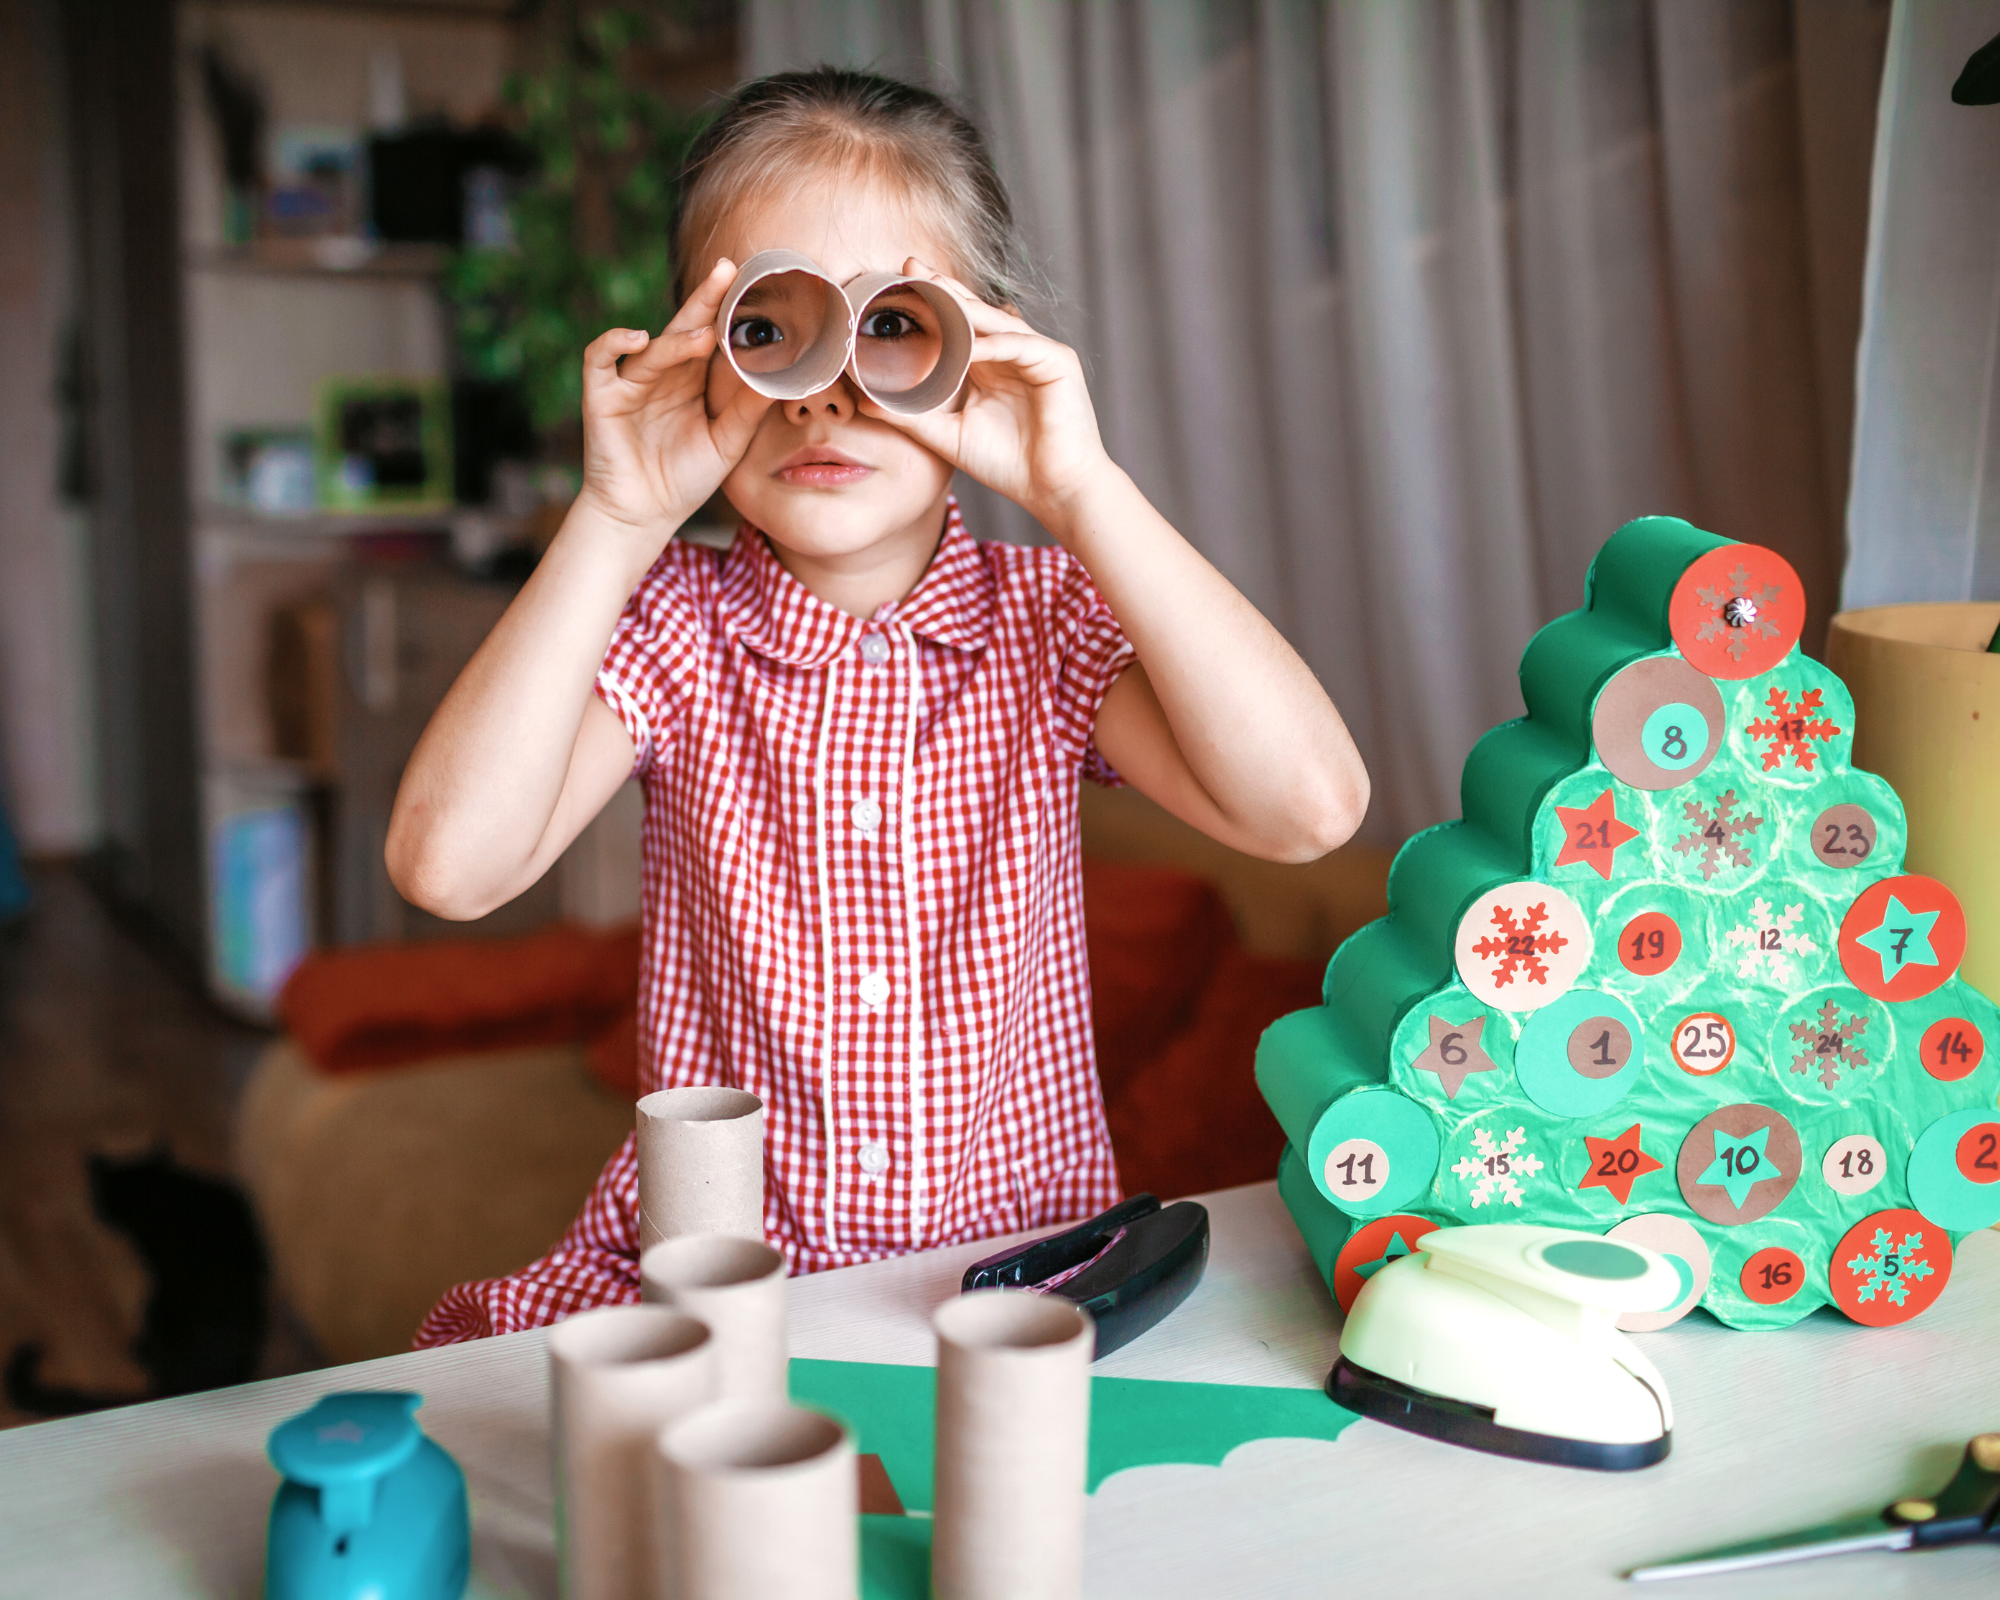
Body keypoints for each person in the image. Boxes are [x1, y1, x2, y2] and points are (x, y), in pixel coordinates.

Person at [395, 67, 1367, 1345]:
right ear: (695, 348)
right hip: (721, 1291)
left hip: (1014, 1280)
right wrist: (617, 516)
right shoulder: (671, 628)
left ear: (983, 347)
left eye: (893, 325)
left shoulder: (1047, 620)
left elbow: (1308, 808)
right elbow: (448, 867)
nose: (828, 390)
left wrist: (1081, 487)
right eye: (770, 326)